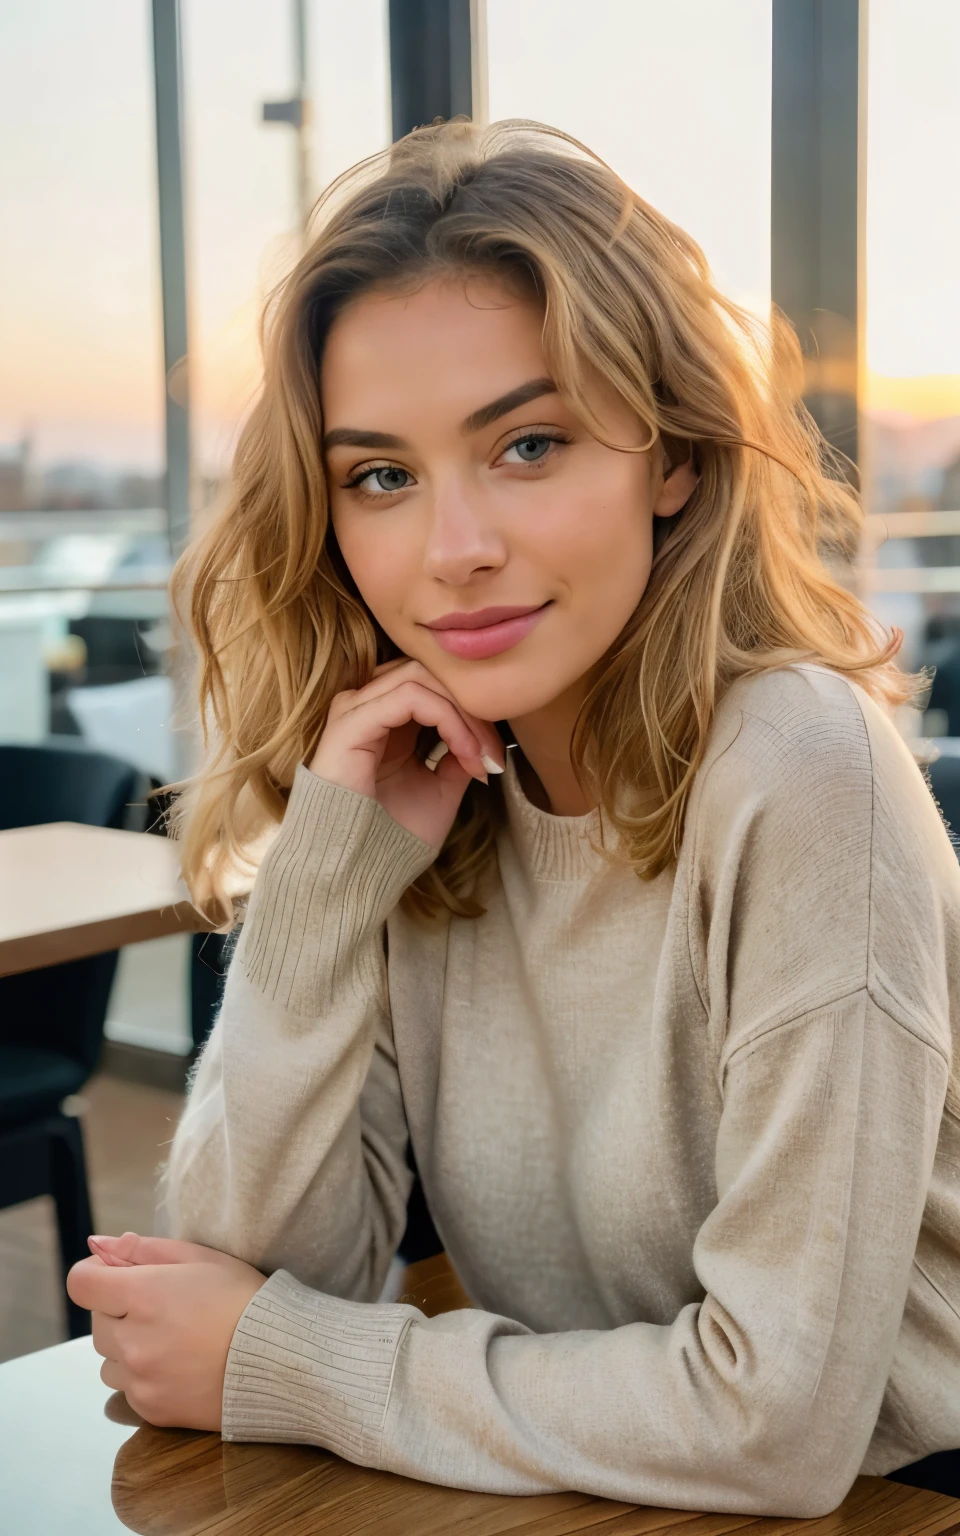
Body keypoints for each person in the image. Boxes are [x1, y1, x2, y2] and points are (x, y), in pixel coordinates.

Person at [67, 120, 960, 1517]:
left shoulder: (801, 771)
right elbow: (250, 1279)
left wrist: (288, 1361)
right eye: (381, 476)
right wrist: (320, 880)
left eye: (528, 444)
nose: (455, 547)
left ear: (668, 458)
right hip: (579, 1483)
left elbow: (778, 1420)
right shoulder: (430, 785)